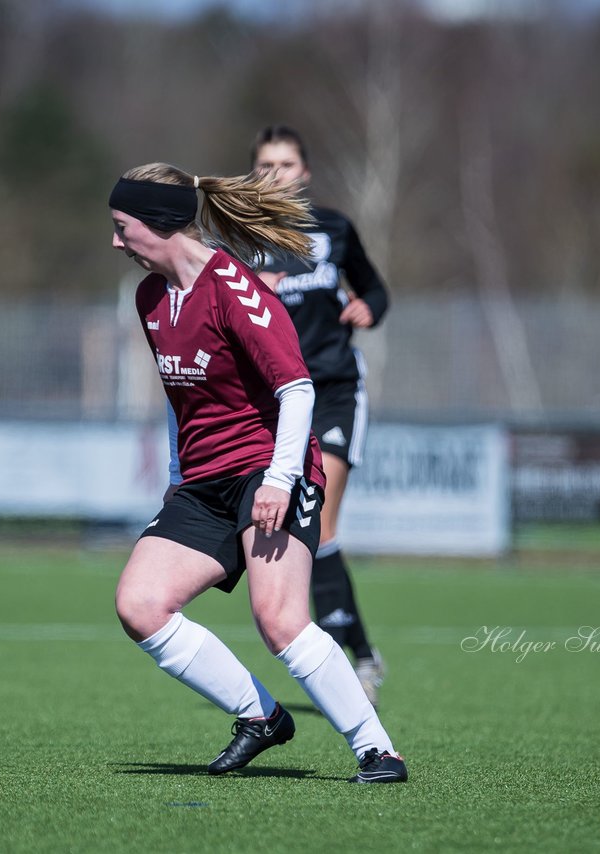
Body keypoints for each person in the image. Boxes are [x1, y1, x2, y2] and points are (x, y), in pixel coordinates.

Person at [109, 162, 407, 784]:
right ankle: (260, 717)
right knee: (139, 604)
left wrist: (277, 480)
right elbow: (176, 396)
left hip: (268, 469)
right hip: (201, 481)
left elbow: (297, 388)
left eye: (122, 226)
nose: (115, 241)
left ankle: (378, 751)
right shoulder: (150, 298)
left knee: (279, 619)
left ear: (160, 224)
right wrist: (175, 472)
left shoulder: (233, 287)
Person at [249, 125, 390, 705]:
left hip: (331, 391)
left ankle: (343, 662)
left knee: (322, 524)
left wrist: (367, 308)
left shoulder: (333, 228)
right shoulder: (241, 237)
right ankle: (363, 652)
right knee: (293, 531)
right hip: (275, 399)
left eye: (285, 164)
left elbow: (376, 290)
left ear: (304, 173)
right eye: (264, 164)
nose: (275, 173)